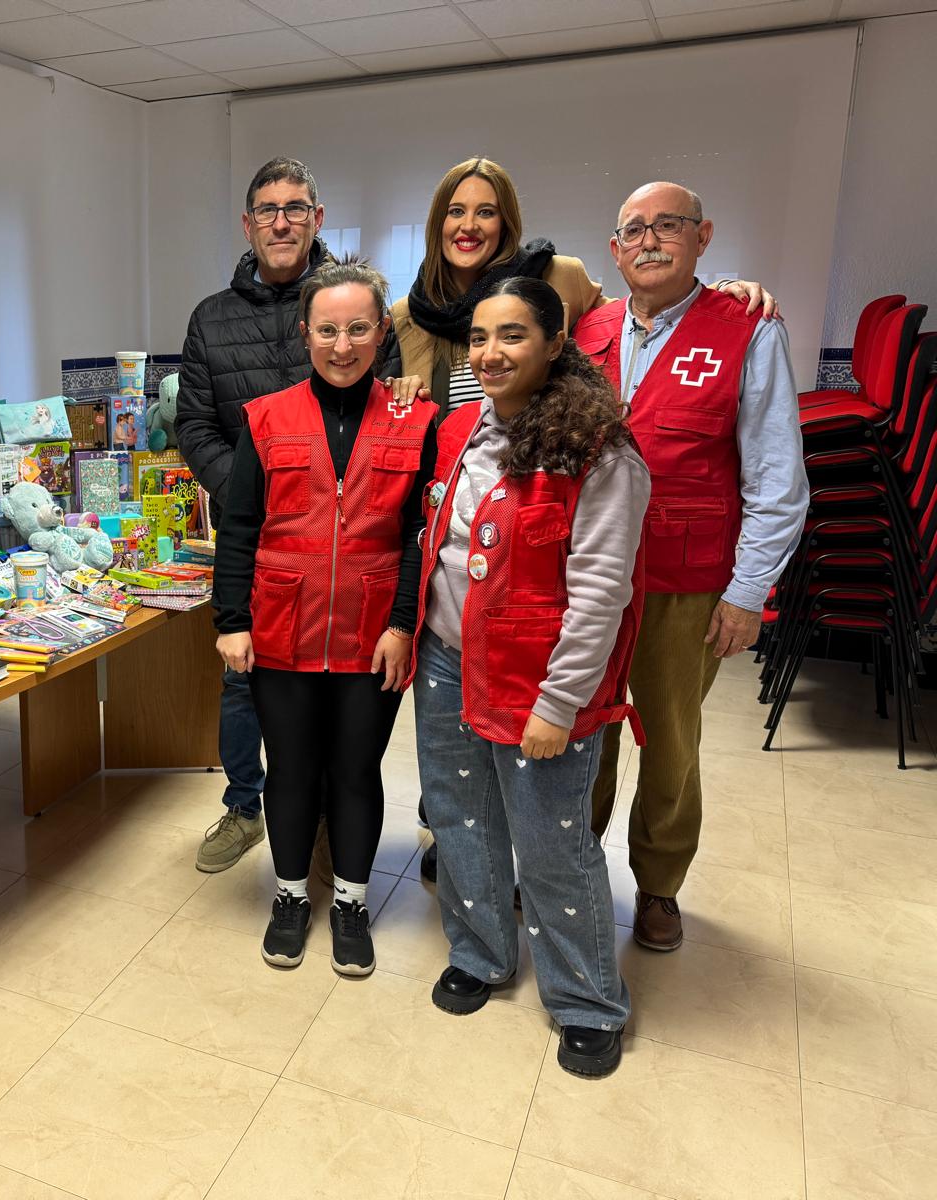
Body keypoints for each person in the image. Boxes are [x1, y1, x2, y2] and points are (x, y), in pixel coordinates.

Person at [392, 156, 775, 885]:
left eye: (486, 210)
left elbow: (653, 302)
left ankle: (637, 883)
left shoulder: (562, 283)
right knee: (528, 726)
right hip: (489, 551)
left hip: (624, 554)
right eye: (454, 211)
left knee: (644, 735)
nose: (469, 225)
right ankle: (528, 859)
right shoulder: (409, 314)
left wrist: (720, 293)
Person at [414, 276, 649, 1079]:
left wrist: (558, 705)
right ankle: (481, 954)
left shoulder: (600, 452)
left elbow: (601, 597)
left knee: (551, 843)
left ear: (555, 343)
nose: (490, 353)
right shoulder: (458, 432)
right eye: (479, 338)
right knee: (459, 818)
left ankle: (586, 1000)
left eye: (512, 335)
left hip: (540, 684)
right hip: (447, 660)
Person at [576, 182, 807, 952]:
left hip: (687, 581)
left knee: (671, 739)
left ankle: (659, 885)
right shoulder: (588, 328)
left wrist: (747, 593)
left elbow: (777, 478)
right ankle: (571, 865)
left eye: (667, 225)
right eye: (633, 229)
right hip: (589, 575)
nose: (649, 240)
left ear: (702, 237)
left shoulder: (747, 328)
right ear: (614, 250)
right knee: (583, 728)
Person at [213, 254, 435, 977]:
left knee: (355, 771)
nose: (343, 346)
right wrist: (230, 618)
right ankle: (287, 897)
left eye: (360, 329)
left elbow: (416, 534)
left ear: (380, 335)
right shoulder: (267, 418)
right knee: (293, 772)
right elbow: (240, 523)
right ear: (305, 333)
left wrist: (403, 624)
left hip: (373, 635)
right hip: (280, 629)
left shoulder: (415, 420)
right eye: (328, 329)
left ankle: (349, 901)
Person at [178, 157, 401, 875]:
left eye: (296, 208)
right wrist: (255, 490)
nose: (282, 221)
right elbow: (195, 426)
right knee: (245, 680)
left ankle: (330, 825)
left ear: (318, 219)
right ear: (247, 224)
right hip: (260, 541)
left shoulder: (354, 304)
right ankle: (246, 807)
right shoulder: (211, 319)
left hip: (346, 548)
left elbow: (390, 407)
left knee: (338, 695)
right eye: (268, 209)